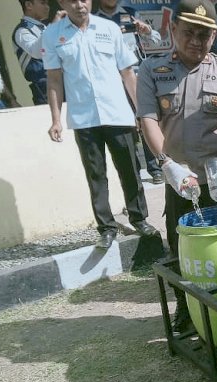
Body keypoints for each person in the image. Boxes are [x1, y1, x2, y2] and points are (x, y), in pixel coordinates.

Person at [136, 0, 217, 331]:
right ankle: (188, 310)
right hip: (180, 181)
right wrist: (167, 164)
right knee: (183, 251)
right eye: (188, 33)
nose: (196, 42)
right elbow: (148, 118)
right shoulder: (152, 70)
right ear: (173, 30)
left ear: (213, 37)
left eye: (204, 35)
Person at [42, 0, 158, 249]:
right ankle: (106, 227)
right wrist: (55, 119)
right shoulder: (52, 34)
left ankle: (140, 219)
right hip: (84, 118)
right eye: (72, 0)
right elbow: (53, 79)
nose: (79, 4)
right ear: (62, 3)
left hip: (117, 113)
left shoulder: (110, 29)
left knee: (130, 169)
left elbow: (128, 73)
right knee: (96, 175)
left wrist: (141, 111)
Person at [96, 0, 164, 185]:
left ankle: (156, 168)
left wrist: (146, 31)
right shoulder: (94, 20)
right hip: (112, 80)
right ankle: (133, 172)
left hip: (137, 76)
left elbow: (157, 39)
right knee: (124, 126)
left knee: (147, 119)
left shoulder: (130, 13)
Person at [13, 0, 64, 106]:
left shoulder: (44, 27)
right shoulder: (22, 30)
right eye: (43, 3)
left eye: (47, 3)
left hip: (63, 80)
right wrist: (55, 26)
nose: (47, 7)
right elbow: (37, 51)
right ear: (28, 5)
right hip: (45, 85)